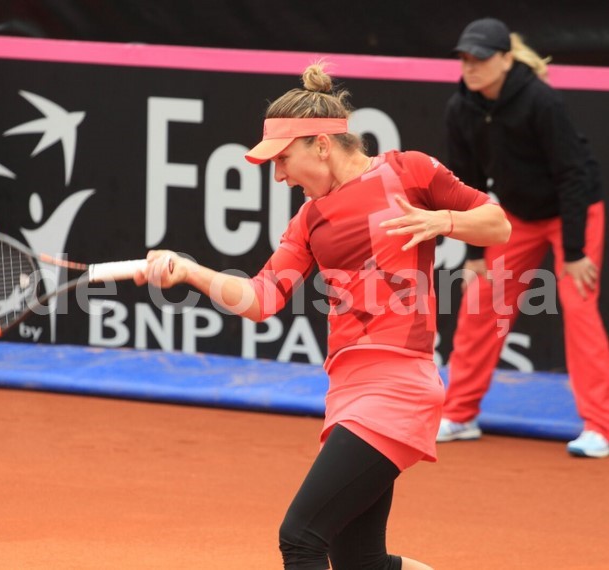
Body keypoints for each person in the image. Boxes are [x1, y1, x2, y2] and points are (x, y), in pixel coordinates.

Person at [135, 63, 510, 569]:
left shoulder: (409, 171)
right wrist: (190, 270)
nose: (279, 175)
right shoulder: (308, 219)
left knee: (301, 537)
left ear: (322, 145)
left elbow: (497, 225)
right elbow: (261, 299)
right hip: (347, 392)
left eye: (283, 159)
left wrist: (443, 221)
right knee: (361, 562)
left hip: (397, 388)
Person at [438, 17, 609, 459]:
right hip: (517, 215)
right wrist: (475, 252)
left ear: (506, 59)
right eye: (464, 58)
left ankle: (599, 427)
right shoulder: (460, 109)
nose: (470, 66)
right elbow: (467, 184)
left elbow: (573, 174)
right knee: (482, 302)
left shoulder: (539, 100)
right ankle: (459, 415)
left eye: (480, 58)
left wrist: (574, 252)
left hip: (572, 210)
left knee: (578, 303)